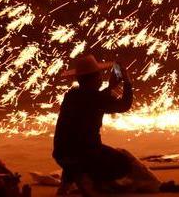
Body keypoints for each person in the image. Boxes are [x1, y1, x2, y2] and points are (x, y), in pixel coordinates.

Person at [53, 54, 159, 196]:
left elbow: (94, 101)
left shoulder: (72, 95)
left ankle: (67, 182)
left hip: (61, 155)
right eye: (99, 75)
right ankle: (89, 179)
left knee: (74, 149)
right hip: (85, 154)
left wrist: (110, 87)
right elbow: (124, 105)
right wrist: (127, 81)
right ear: (95, 78)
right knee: (122, 162)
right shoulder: (96, 98)